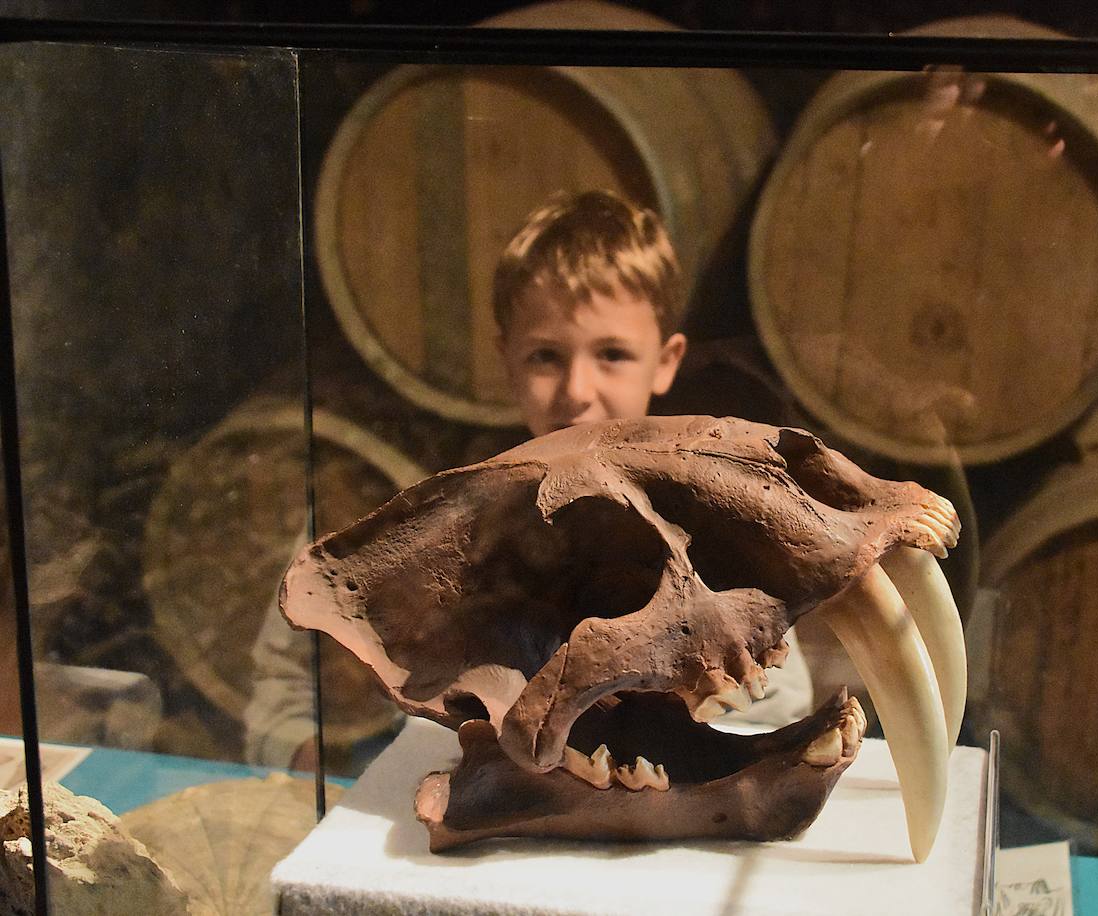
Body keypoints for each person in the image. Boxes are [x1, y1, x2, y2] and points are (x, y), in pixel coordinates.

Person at [244, 190, 814, 771]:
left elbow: (779, 704)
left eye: (612, 354)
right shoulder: (445, 529)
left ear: (666, 361)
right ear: (506, 357)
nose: (576, 391)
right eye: (545, 356)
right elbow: (283, 693)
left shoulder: (714, 535)